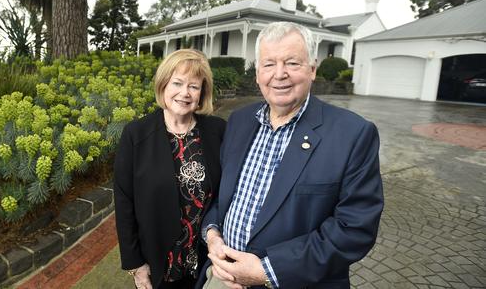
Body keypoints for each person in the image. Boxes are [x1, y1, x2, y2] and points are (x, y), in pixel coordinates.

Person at [199, 22, 384, 289]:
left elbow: (354, 228)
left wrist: (266, 271)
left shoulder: (352, 135)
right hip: (223, 276)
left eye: (292, 63)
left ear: (312, 69)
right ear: (257, 73)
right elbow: (223, 197)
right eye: (269, 64)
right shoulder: (239, 122)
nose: (279, 74)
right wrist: (213, 234)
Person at [114, 49, 227, 289]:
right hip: (157, 262)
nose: (184, 93)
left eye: (193, 86)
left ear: (201, 93)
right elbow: (124, 203)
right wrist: (135, 264)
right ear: (164, 85)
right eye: (177, 83)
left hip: (205, 261)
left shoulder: (218, 131)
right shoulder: (136, 134)